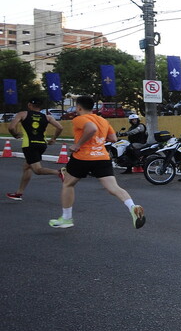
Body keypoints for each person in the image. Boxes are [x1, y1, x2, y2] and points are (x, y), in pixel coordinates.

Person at [48, 95, 145, 230]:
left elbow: (91, 129)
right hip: (102, 157)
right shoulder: (103, 120)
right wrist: (99, 140)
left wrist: (78, 145)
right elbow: (113, 138)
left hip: (82, 157)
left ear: (79, 107)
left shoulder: (79, 119)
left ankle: (66, 218)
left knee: (68, 184)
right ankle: (132, 206)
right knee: (113, 187)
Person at [6, 98, 64, 200]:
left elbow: (11, 127)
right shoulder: (47, 117)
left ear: (29, 105)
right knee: (27, 167)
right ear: (41, 106)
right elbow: (60, 127)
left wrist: (15, 135)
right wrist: (53, 138)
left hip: (29, 145)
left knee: (37, 170)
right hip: (42, 145)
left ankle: (59, 172)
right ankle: (19, 193)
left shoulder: (23, 114)